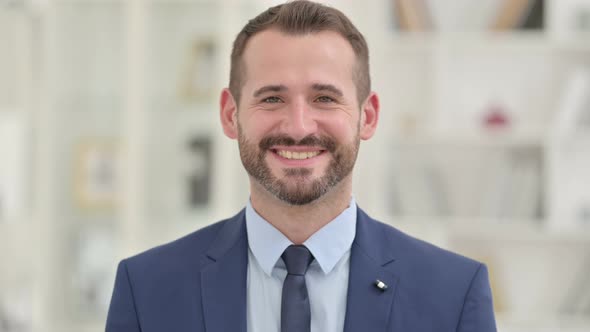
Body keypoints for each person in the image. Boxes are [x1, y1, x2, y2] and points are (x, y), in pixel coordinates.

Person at [105, 1, 497, 331]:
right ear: (229, 114)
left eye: (324, 98)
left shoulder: (454, 294)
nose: (298, 126)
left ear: (369, 116)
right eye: (272, 98)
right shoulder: (147, 290)